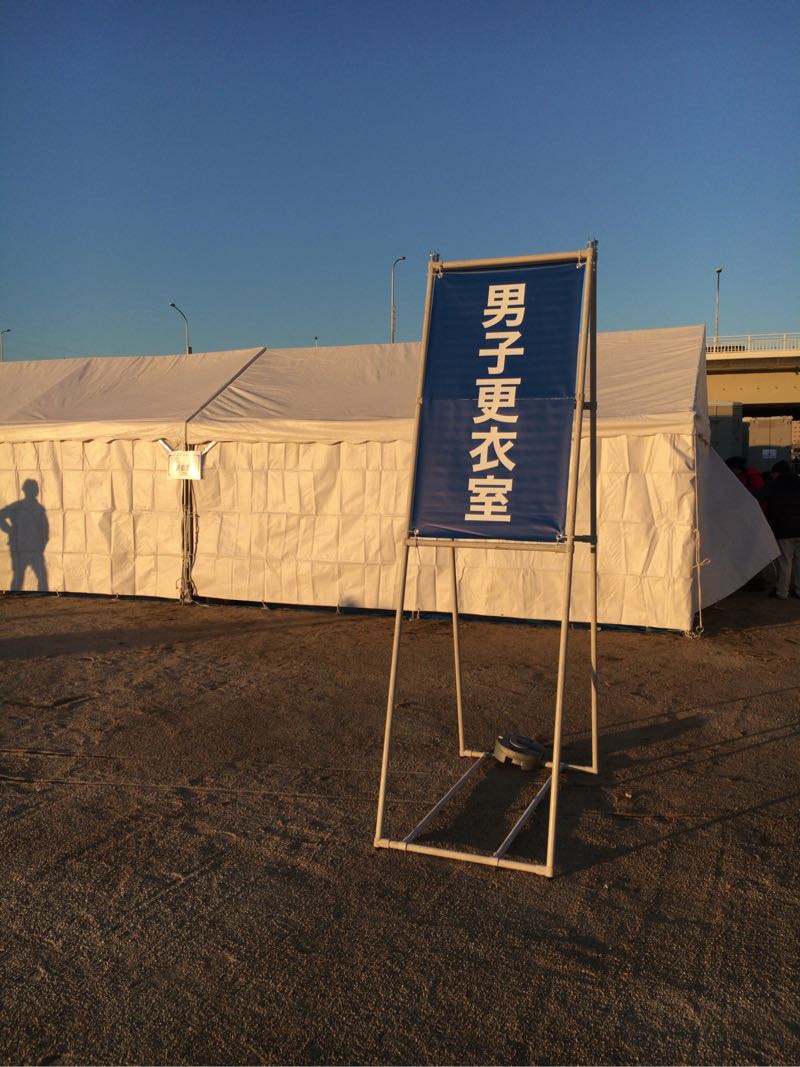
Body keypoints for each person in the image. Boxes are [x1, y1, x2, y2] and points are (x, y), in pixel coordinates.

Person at [0, 479, 49, 592]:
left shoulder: (33, 508)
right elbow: (45, 532)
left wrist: (10, 530)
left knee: (23, 579)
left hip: (27, 549)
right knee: (23, 579)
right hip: (24, 549)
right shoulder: (33, 508)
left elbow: (45, 531)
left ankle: (16, 600)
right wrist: (10, 530)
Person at [760, 460, 800, 600]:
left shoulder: (775, 484)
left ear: (777, 473)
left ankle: (782, 592)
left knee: (785, 562)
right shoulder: (798, 481)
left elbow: (758, 496)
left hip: (784, 528)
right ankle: (798, 591)